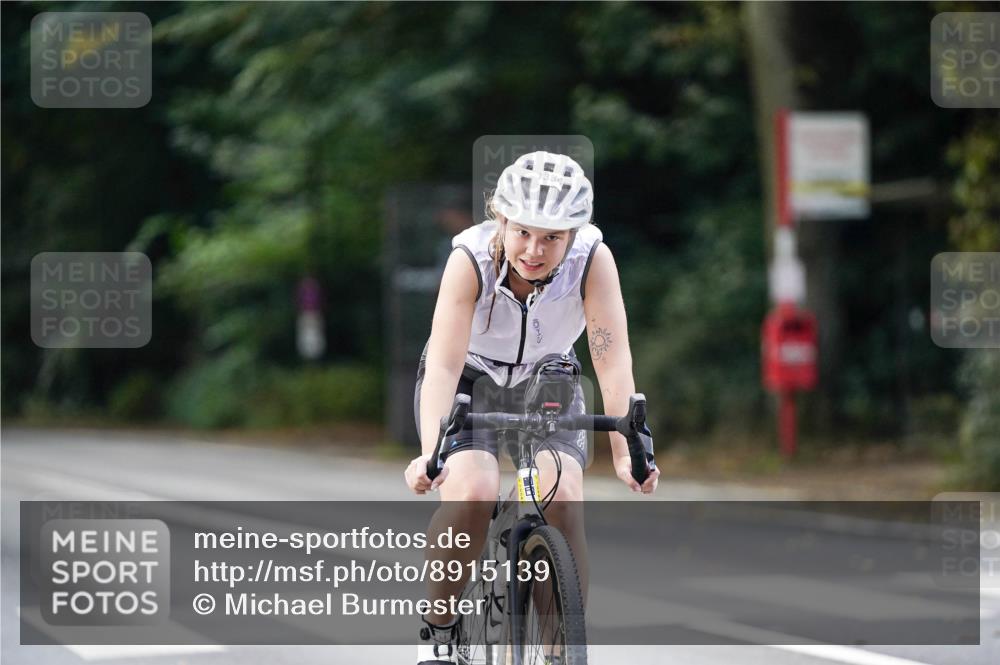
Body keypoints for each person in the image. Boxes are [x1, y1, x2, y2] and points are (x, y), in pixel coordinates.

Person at [404, 151, 660, 664]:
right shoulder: (470, 260)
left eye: (552, 237)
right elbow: (445, 365)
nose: (534, 250)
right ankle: (440, 631)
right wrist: (431, 450)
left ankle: (559, 648)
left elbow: (610, 361)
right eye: (522, 232)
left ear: (573, 233)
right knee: (474, 491)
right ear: (500, 218)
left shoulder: (593, 259)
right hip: (470, 378)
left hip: (548, 380)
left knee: (563, 495)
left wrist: (626, 447)